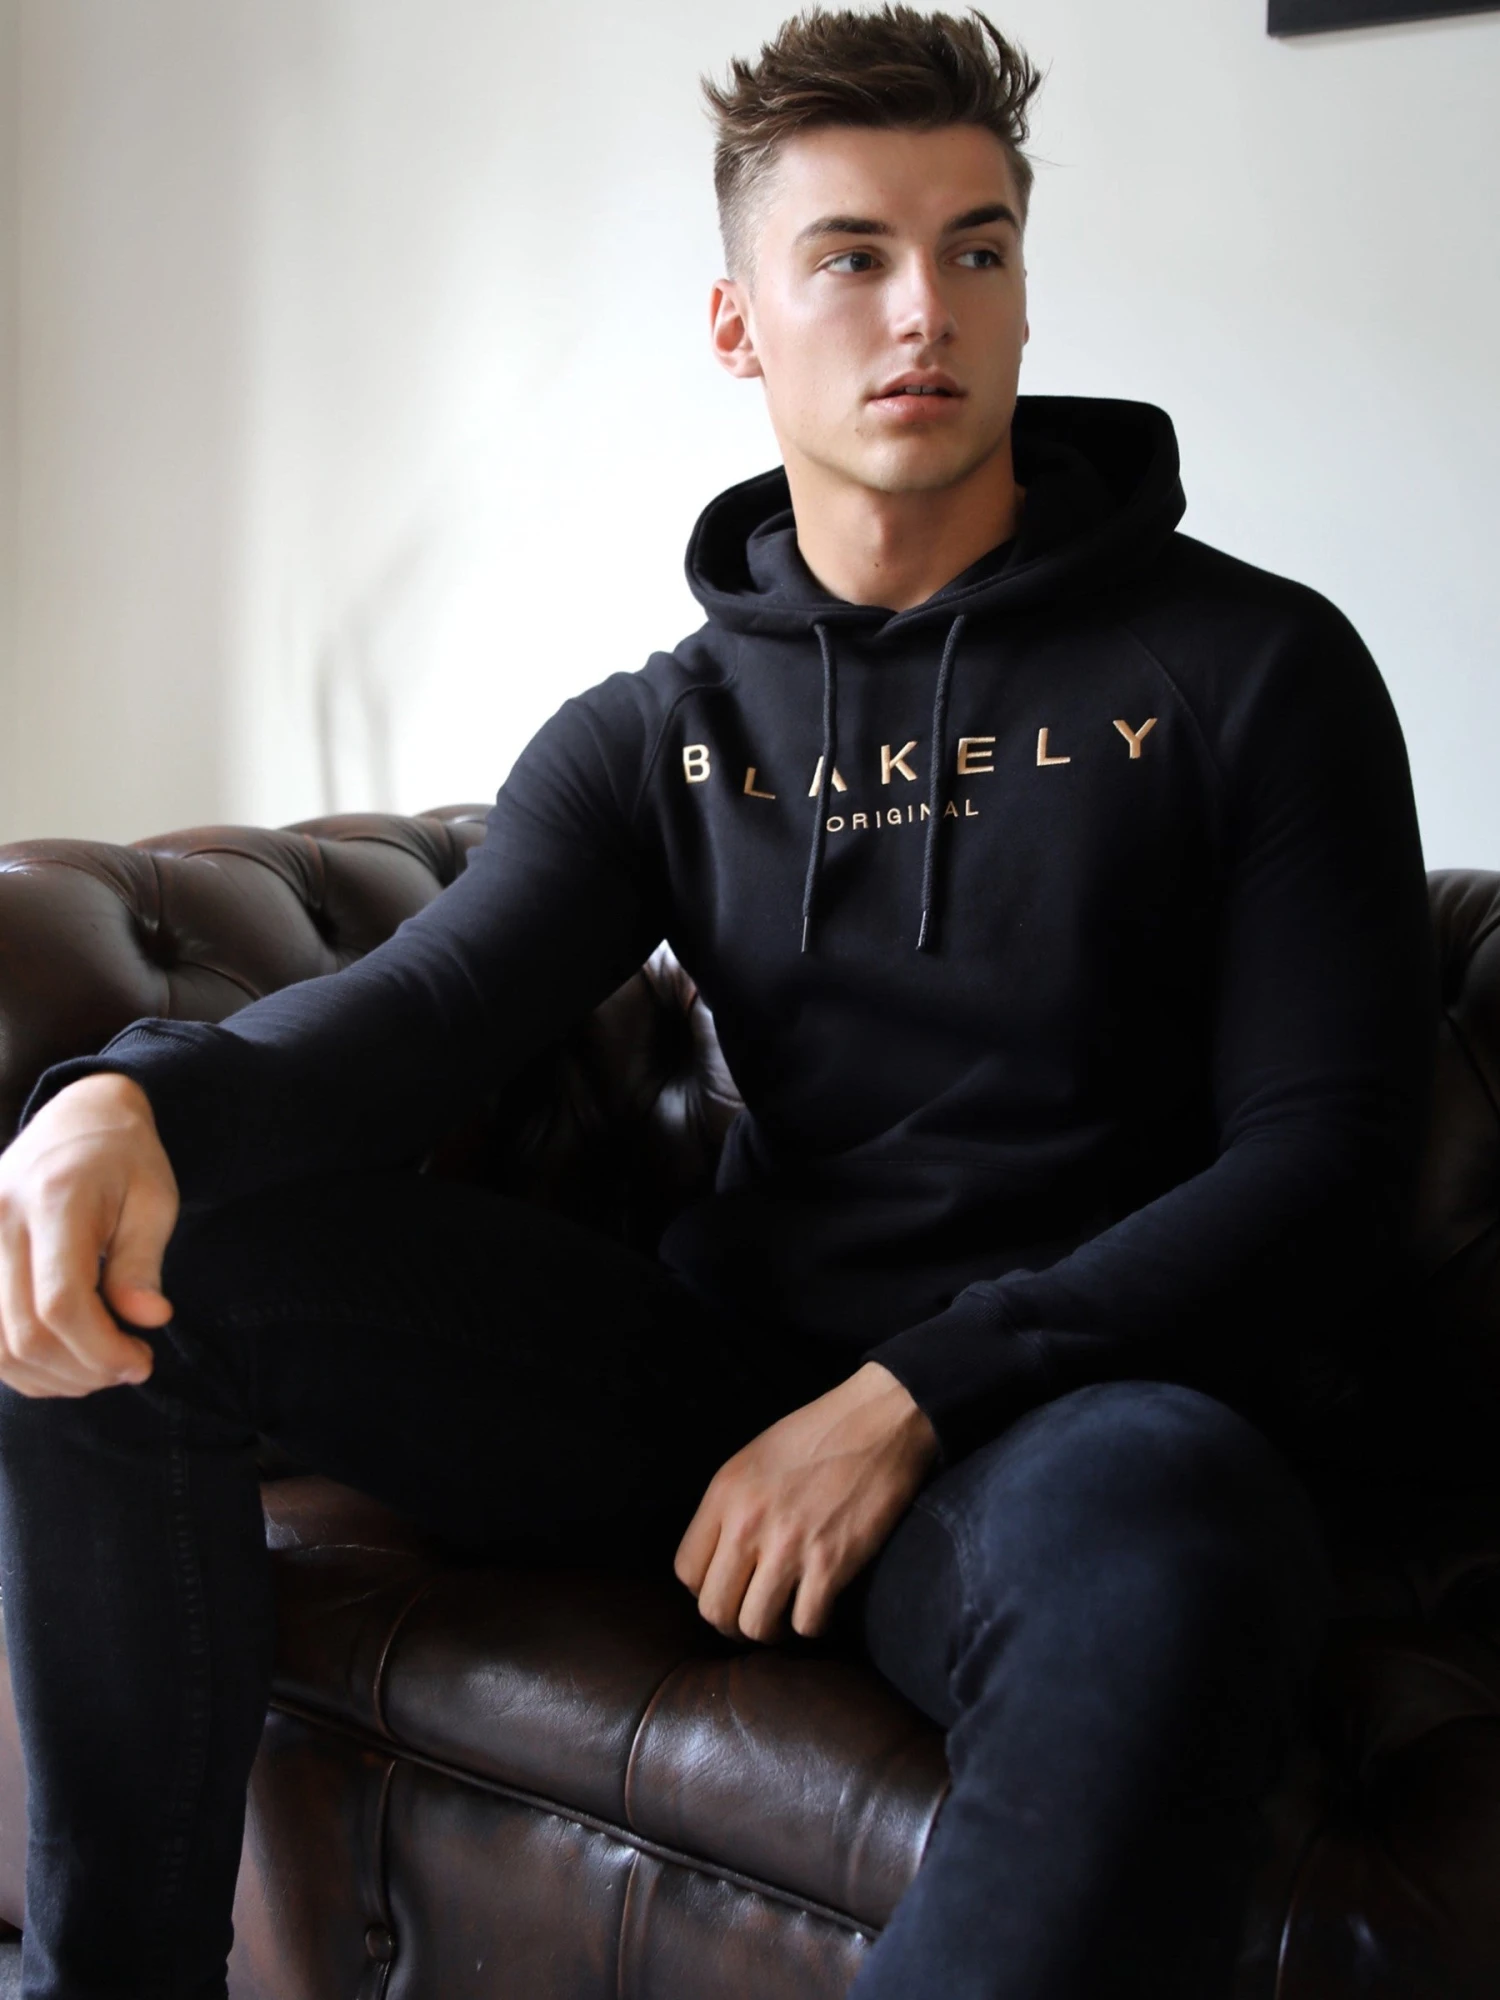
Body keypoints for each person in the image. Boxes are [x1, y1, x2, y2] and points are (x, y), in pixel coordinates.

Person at [0, 7, 1437, 1997]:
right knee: (126, 1278)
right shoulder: (664, 731)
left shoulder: (1254, 672)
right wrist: (128, 1097)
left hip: (1067, 1423)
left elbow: (1327, 1164)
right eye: (852, 255)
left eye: (977, 248)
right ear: (738, 324)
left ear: (1025, 290)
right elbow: (426, 1006)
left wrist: (917, 1392)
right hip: (709, 1387)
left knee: (1182, 1548)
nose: (924, 308)